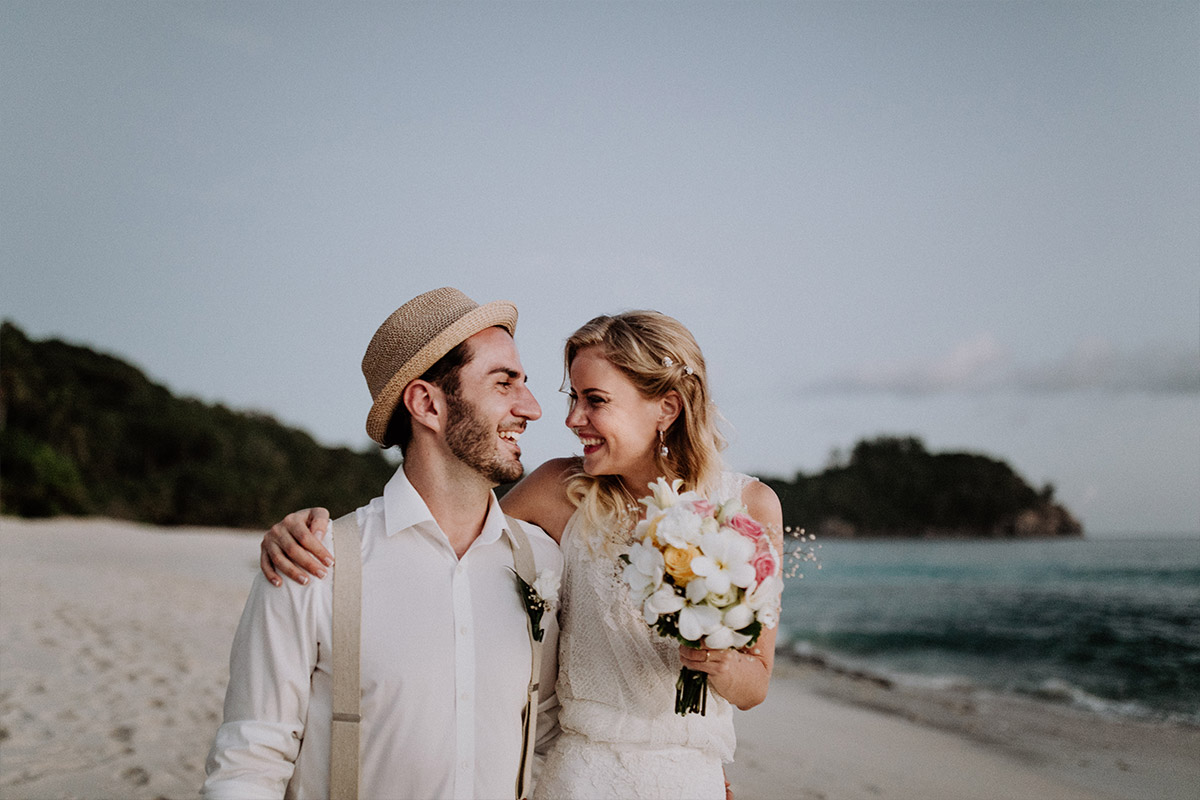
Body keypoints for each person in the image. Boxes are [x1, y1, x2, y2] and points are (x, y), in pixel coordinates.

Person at [263, 310, 784, 800]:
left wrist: (715, 661)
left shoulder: (748, 509)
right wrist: (318, 533)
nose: (573, 418)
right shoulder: (559, 489)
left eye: (595, 400)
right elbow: (453, 542)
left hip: (689, 778)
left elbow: (755, 682)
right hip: (581, 775)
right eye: (573, 397)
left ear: (666, 408)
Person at [203, 288, 563, 800]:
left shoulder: (543, 563)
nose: (532, 407)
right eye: (504, 383)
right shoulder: (313, 564)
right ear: (427, 404)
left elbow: (549, 737)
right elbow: (248, 762)